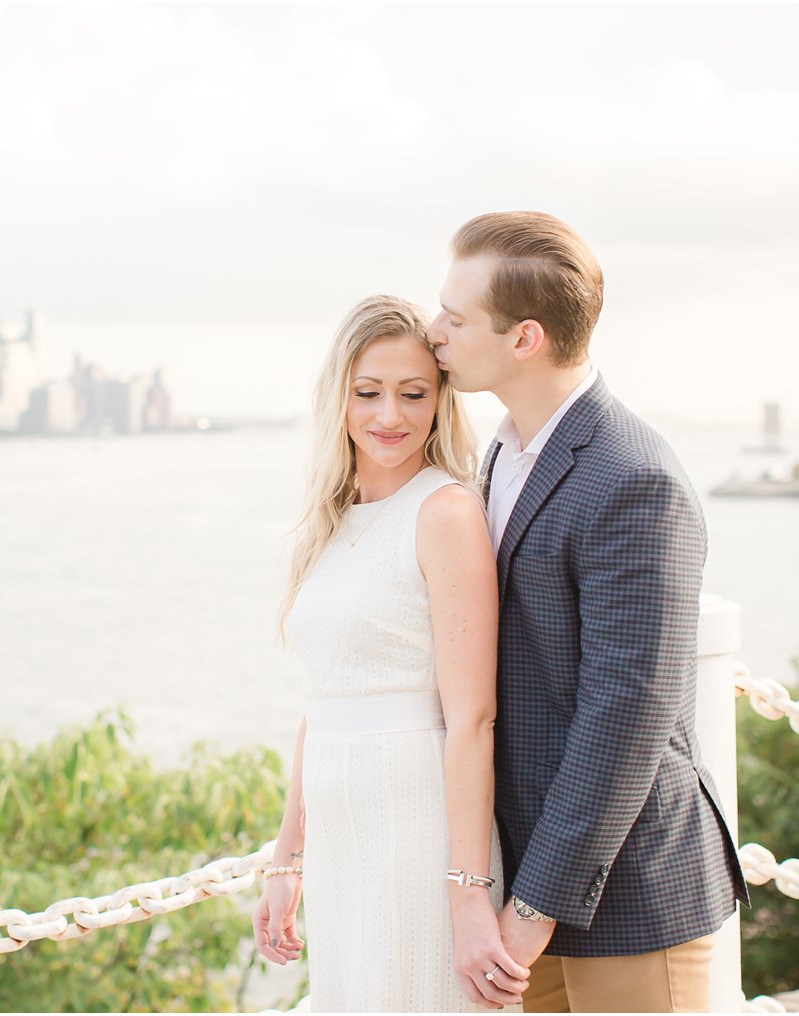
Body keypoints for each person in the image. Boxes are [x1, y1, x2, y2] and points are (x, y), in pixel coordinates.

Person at [428, 211, 749, 1013]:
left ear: (524, 338)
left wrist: (535, 907)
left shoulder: (633, 481)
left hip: (629, 891)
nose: (433, 331)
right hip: (522, 878)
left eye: (455, 317)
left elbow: (627, 717)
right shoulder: (504, 450)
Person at [252, 295, 531, 1011]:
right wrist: (288, 856)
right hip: (342, 835)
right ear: (337, 396)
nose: (390, 417)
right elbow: (324, 700)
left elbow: (473, 718)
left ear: (441, 401)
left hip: (416, 826)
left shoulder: (445, 513)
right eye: (367, 392)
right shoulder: (331, 519)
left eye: (414, 394)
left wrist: (468, 892)